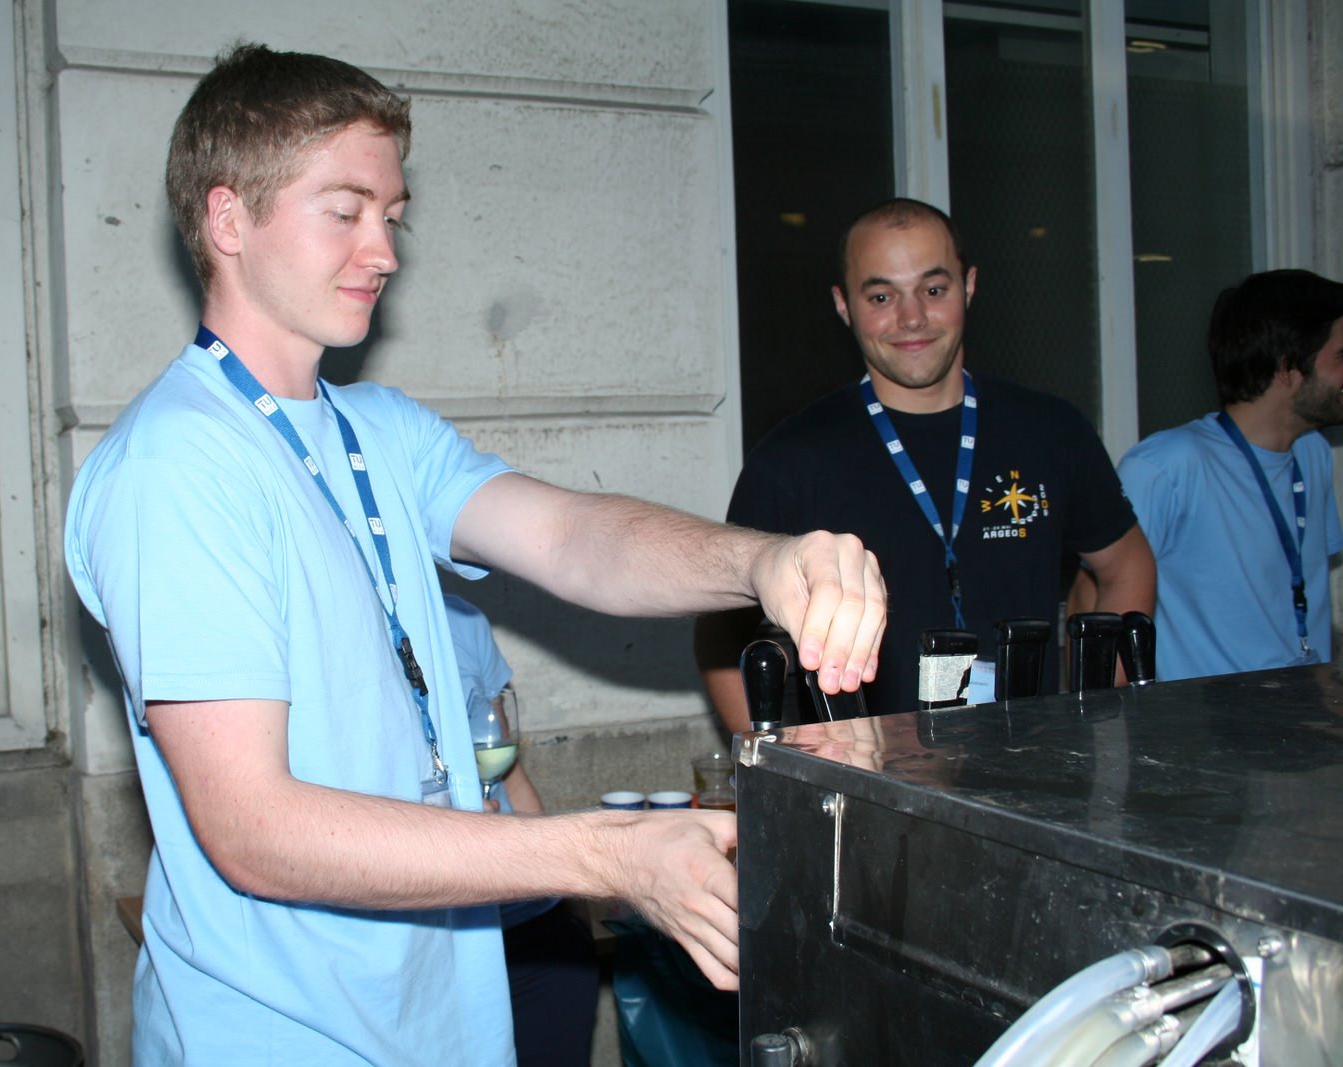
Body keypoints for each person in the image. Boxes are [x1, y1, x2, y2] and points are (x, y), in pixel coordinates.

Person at [63, 44, 886, 1065]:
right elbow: (253, 827)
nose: (383, 251)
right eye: (345, 211)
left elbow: (572, 537)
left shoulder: (378, 428)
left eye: (393, 215)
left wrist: (763, 562)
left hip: (444, 1027)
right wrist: (606, 854)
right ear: (228, 220)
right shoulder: (177, 464)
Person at [696, 197, 1154, 727]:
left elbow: (1127, 565)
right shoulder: (792, 457)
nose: (911, 318)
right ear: (844, 305)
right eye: (881, 296)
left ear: (969, 286)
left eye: (933, 290)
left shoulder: (1051, 429)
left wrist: (1092, 716)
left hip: (1035, 763)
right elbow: (720, 634)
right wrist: (782, 762)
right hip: (868, 772)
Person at [1118, 269, 1343, 681]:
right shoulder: (1168, 466)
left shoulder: (1313, 452)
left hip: (1306, 715)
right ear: (1288, 366)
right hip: (1206, 721)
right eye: (1341, 356)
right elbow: (1096, 596)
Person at [443, 592, 599, 1067]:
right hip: (442, 933)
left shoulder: (462, 617)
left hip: (529, 924)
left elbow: (507, 770)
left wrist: (560, 881)